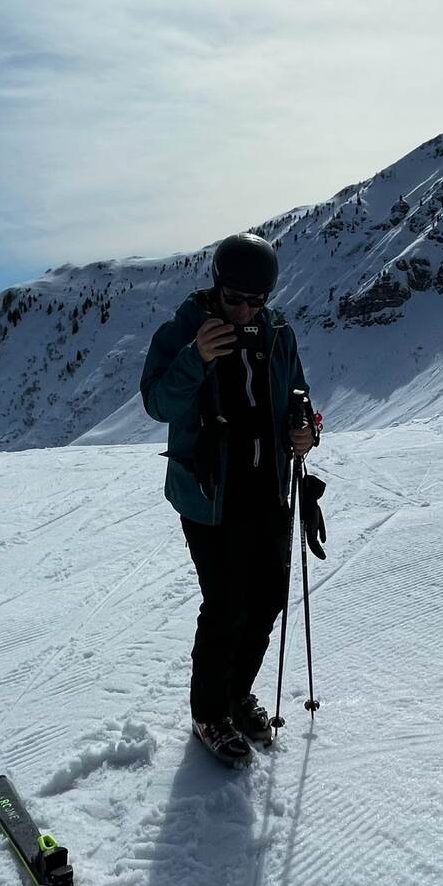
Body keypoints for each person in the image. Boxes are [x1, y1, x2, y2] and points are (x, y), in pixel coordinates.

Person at [141, 232, 318, 766]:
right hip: (208, 494)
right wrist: (196, 357)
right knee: (226, 604)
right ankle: (208, 713)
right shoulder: (182, 333)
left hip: (267, 485)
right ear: (217, 288)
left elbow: (297, 397)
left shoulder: (277, 332)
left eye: (255, 301)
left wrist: (304, 430)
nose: (244, 310)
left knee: (267, 597)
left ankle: (237, 695)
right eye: (235, 299)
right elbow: (157, 403)